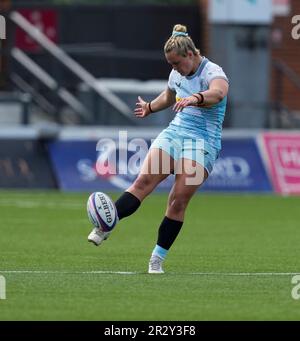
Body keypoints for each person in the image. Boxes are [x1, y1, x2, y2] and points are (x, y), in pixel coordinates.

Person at [88, 24, 229, 274]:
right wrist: (151, 107)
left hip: (202, 142)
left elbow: (217, 94)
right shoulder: (177, 73)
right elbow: (169, 94)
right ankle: (106, 224)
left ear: (190, 55)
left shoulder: (213, 72)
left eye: (176, 63)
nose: (174, 69)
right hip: (175, 133)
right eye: (171, 65)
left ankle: (157, 258)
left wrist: (195, 98)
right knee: (143, 181)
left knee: (177, 201)